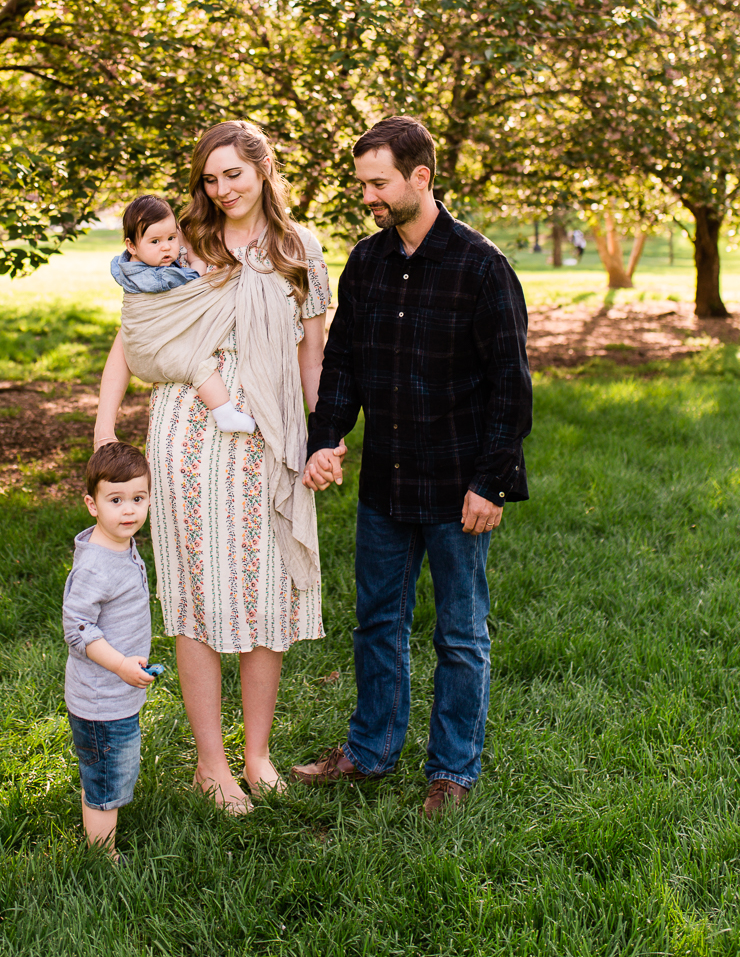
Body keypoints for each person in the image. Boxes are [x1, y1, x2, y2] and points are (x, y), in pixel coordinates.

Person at [292, 116, 532, 818]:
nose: (366, 195)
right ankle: (369, 753)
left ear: (419, 178)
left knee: (459, 634)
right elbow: (343, 366)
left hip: (458, 489)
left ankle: (451, 771)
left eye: (377, 182)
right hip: (385, 485)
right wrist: (325, 437)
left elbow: (510, 388)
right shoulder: (365, 263)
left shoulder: (481, 266)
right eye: (361, 182)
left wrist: (491, 482)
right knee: (375, 623)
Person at [95, 120, 330, 814]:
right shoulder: (181, 245)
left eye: (233, 173)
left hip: (269, 432)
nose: (222, 188)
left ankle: (257, 755)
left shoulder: (298, 248)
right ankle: (210, 764)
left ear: (263, 169)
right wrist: (104, 423)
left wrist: (322, 437)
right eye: (210, 177)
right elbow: (133, 336)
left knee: (268, 594)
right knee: (196, 591)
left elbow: (310, 354)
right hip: (188, 432)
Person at [62, 441, 157, 859]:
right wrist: (120, 664)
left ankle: (98, 810)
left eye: (138, 498)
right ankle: (102, 855)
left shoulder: (121, 545)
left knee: (105, 767)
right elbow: (78, 629)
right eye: (115, 500)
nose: (129, 510)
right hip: (102, 698)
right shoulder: (95, 564)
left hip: (118, 693)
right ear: (92, 504)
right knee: (107, 779)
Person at [111, 194, 256, 433]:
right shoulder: (158, 276)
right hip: (152, 352)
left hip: (145, 350)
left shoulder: (131, 265)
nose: (167, 246)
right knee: (198, 367)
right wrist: (195, 257)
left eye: (171, 237)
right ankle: (225, 413)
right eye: (155, 241)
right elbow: (193, 281)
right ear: (131, 246)